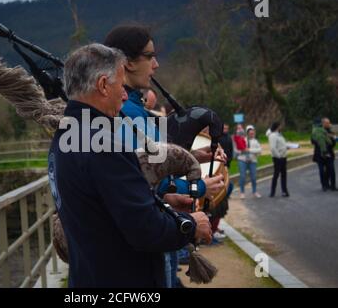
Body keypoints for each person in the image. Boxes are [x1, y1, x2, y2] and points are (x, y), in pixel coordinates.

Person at [48, 43, 213, 288]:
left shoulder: (64, 139)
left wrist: (161, 200)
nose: (125, 96)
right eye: (120, 86)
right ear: (103, 85)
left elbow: (105, 208)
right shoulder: (102, 143)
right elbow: (144, 230)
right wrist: (190, 227)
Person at [104, 25, 225, 288]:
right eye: (150, 56)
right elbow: (142, 179)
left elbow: (151, 162)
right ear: (127, 62)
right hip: (150, 232)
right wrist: (201, 186)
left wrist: (193, 157)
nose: (156, 64)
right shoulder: (130, 114)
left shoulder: (134, 109)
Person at [236, 125, 262, 199]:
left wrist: (250, 150)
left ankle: (254, 192)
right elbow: (239, 149)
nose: (252, 134)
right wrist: (242, 150)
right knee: (243, 177)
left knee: (253, 177)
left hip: (252, 161)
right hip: (242, 160)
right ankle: (242, 192)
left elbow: (259, 151)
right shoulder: (242, 139)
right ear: (247, 133)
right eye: (250, 133)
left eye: (253, 133)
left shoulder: (256, 141)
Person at [312, 118, 336, 191]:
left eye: (329, 123)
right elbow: (313, 141)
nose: (329, 124)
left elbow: (333, 143)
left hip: (329, 154)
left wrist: (330, 141)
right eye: (327, 123)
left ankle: (333, 186)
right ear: (323, 124)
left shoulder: (330, 132)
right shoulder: (316, 132)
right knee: (321, 171)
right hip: (319, 154)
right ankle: (324, 185)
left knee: (331, 170)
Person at [268, 122, 289, 197]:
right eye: (280, 126)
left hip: (283, 157)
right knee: (276, 174)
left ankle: (284, 191)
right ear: (277, 126)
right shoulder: (273, 135)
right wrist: (278, 156)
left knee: (284, 174)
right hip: (278, 158)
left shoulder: (280, 135)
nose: (281, 127)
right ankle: (272, 192)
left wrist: (286, 147)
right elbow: (273, 148)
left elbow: (282, 145)